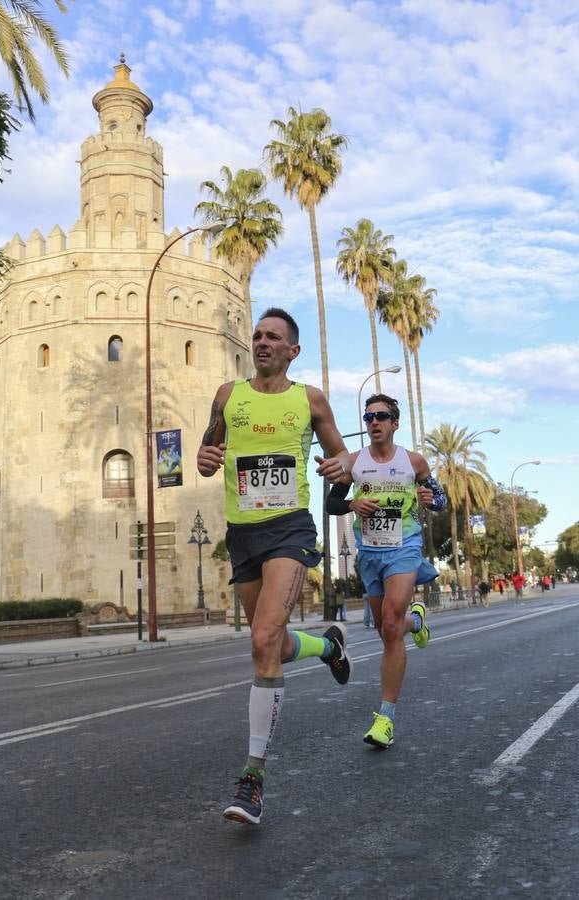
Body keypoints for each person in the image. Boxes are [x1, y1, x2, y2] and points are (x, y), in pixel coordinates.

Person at [196, 307, 352, 826]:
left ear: (292, 350)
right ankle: (328, 645)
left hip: (289, 529)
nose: (262, 342)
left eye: (273, 337)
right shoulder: (226, 395)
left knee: (262, 640)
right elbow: (206, 447)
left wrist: (339, 469)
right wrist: (205, 459)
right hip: (242, 535)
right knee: (276, 643)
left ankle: (253, 780)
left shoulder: (309, 399)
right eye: (258, 335)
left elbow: (343, 457)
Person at [326, 393, 447, 750]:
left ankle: (386, 718)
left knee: (391, 623)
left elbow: (439, 498)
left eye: (381, 417)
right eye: (368, 418)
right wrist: (351, 503)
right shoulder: (354, 463)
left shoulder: (414, 462)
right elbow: (333, 503)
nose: (374, 422)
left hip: (404, 549)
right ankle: (418, 622)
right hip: (370, 554)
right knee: (386, 630)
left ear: (395, 423)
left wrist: (432, 500)